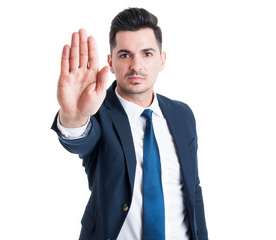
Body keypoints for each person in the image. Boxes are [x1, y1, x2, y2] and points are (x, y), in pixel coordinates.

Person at [51, 7, 208, 240]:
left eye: (147, 54)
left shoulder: (182, 114)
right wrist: (74, 117)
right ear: (111, 62)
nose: (136, 66)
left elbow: (192, 189)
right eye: (125, 55)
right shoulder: (97, 112)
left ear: (162, 60)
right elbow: (80, 141)